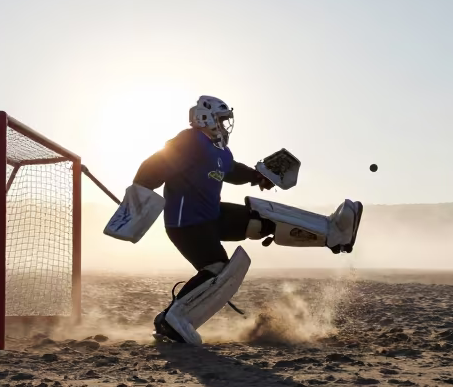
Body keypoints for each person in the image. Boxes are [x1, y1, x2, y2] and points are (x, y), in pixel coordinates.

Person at [129, 95, 361, 343]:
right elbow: (155, 164)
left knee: (262, 220)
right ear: (204, 117)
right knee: (216, 268)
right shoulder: (190, 140)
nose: (224, 125)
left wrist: (256, 176)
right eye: (221, 119)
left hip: (212, 215)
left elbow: (233, 170)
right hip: (187, 223)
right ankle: (172, 321)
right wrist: (140, 193)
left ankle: (333, 233)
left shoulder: (219, 151)